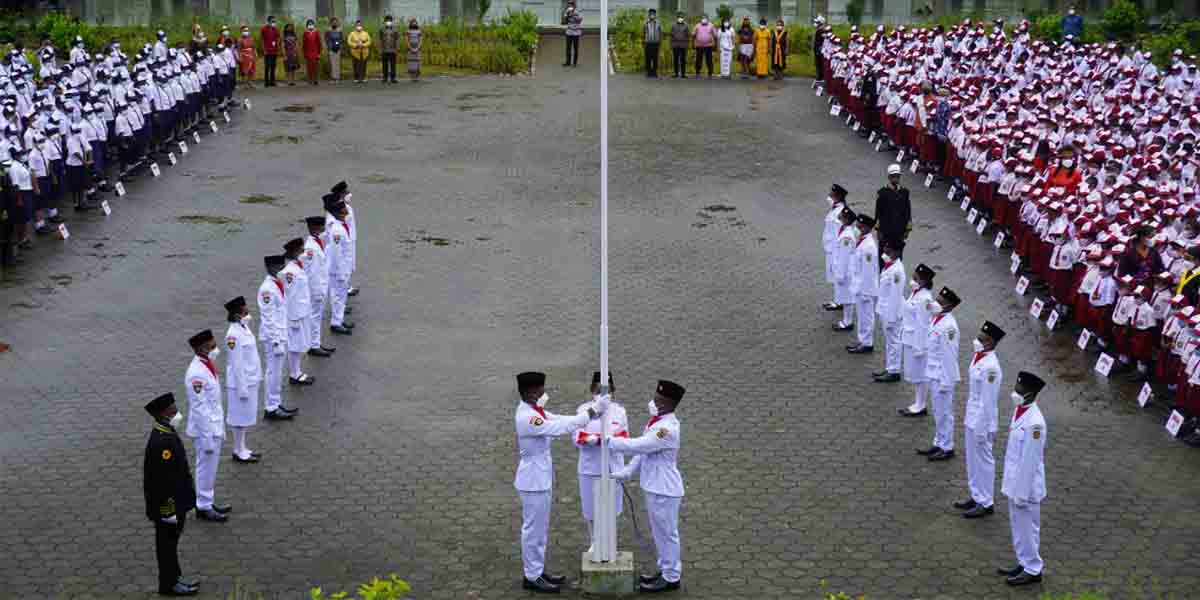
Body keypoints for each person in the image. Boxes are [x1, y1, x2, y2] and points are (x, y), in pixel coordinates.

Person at [513, 371, 606, 594]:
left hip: (540, 477)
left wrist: (587, 415)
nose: (544, 393)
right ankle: (532, 576)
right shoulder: (527, 417)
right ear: (532, 392)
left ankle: (537, 571)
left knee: (540, 530)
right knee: (533, 530)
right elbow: (559, 428)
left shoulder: (537, 411)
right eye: (541, 389)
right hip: (533, 480)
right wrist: (592, 412)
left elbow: (561, 420)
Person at [610, 380, 686, 594]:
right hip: (655, 487)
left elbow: (640, 445)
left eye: (659, 400)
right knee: (659, 533)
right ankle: (664, 570)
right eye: (655, 398)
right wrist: (626, 472)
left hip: (664, 489)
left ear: (669, 404)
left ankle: (671, 577)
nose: (654, 402)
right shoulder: (656, 422)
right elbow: (643, 452)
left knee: (667, 533)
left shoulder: (666, 429)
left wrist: (610, 442)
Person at [142, 393, 199, 596]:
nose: (177, 413)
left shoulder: (167, 431)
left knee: (171, 544)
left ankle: (174, 578)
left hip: (176, 503)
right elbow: (160, 484)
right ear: (161, 415)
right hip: (168, 507)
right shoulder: (160, 443)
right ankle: (168, 584)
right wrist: (167, 512)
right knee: (166, 547)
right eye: (172, 411)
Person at [998, 371, 1048, 586]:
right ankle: (1023, 561)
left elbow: (1030, 461)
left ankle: (1033, 569)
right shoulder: (1020, 410)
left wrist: (1021, 492)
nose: (1015, 393)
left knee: (1028, 528)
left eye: (1019, 391)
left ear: (1030, 394)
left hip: (1025, 488)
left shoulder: (1035, 423)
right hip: (1015, 481)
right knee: (1018, 526)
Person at [573, 371, 628, 554]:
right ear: (591, 390)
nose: (602, 394)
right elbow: (577, 437)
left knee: (612, 508)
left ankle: (610, 541)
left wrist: (599, 439)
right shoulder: (583, 410)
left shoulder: (619, 412)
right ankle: (594, 541)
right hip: (590, 467)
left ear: (613, 391)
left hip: (613, 466)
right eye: (598, 390)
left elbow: (624, 437)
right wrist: (598, 439)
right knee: (590, 509)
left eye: (606, 390)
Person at [956, 321, 1004, 519]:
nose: (978, 340)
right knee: (972, 460)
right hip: (972, 416)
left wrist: (982, 428)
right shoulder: (979, 357)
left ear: (991, 342)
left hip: (982, 421)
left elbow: (988, 401)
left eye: (982, 339)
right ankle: (976, 495)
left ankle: (986, 502)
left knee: (984, 461)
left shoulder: (991, 367)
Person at [183, 330, 231, 522]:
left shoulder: (206, 364)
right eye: (211, 347)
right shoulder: (196, 374)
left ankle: (207, 501)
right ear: (200, 349)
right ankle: (203, 506)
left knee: (211, 468)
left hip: (214, 425)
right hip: (206, 429)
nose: (215, 349)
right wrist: (207, 437)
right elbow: (199, 408)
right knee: (205, 467)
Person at [917, 287, 961, 461]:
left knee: (944, 412)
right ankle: (939, 442)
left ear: (949, 306)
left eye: (941, 302)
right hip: (934, 372)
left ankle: (947, 446)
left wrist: (946, 381)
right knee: (937, 411)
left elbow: (950, 357)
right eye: (937, 300)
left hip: (943, 376)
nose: (936, 303)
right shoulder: (937, 319)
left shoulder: (949, 327)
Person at [223, 296, 263, 464]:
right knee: (239, 418)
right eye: (245, 311)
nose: (248, 313)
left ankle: (242, 447)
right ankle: (238, 451)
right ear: (237, 314)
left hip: (250, 379)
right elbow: (236, 363)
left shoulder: (243, 327)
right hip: (242, 383)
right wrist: (242, 388)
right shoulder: (233, 335)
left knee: (245, 417)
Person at [257, 255, 296, 421]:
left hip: (281, 334)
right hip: (274, 338)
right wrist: (275, 341)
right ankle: (270, 408)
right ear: (271, 268)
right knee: (273, 373)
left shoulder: (277, 284)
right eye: (279, 267)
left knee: (277, 373)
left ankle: (276, 402)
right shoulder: (267, 289)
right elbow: (268, 318)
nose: (283, 270)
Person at [898, 264, 936, 415]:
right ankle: (917, 402)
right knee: (915, 373)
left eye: (916, 278)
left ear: (924, 281)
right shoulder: (916, 293)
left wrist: (919, 347)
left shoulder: (925, 298)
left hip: (917, 341)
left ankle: (921, 405)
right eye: (913, 277)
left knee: (920, 374)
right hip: (909, 338)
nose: (912, 280)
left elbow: (923, 324)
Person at [281, 238, 316, 385]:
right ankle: (295, 374)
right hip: (295, 314)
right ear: (294, 252)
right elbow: (291, 295)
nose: (304, 252)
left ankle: (297, 371)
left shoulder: (297, 267)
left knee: (299, 344)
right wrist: (293, 318)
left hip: (301, 312)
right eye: (301, 250)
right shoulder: (290, 272)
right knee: (295, 345)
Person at [873, 239, 906, 382]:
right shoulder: (889, 266)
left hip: (892, 312)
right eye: (885, 249)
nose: (885, 252)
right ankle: (889, 367)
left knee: (894, 341)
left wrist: (891, 318)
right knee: (889, 341)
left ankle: (894, 371)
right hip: (885, 309)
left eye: (888, 250)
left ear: (897, 252)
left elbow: (895, 296)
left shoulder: (897, 271)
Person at [303, 217, 334, 356]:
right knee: (314, 317)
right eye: (322, 228)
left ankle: (316, 343)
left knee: (317, 317)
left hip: (320, 286)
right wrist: (317, 291)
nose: (324, 230)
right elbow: (311, 272)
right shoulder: (310, 248)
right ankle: (313, 345)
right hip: (316, 288)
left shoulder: (316, 242)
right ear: (315, 228)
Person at [848, 214, 879, 354]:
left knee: (866, 317)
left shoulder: (869, 247)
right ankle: (862, 340)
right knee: (862, 316)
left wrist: (866, 292)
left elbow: (868, 272)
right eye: (857, 226)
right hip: (859, 285)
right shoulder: (862, 240)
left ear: (867, 228)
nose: (857, 228)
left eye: (860, 227)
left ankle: (867, 343)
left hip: (865, 288)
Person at [326, 198, 356, 335]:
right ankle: (335, 323)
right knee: (338, 295)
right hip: (339, 270)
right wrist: (340, 272)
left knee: (342, 295)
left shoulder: (342, 225)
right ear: (338, 213)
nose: (346, 212)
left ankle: (339, 319)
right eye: (343, 211)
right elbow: (336, 254)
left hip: (344, 267)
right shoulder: (336, 231)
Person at [875, 164, 912, 253]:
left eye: (897, 176)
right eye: (893, 176)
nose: (895, 178)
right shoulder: (882, 193)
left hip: (899, 231)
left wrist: (908, 229)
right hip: (885, 231)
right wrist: (878, 230)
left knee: (897, 254)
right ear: (889, 177)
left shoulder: (904, 192)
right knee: (884, 255)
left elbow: (908, 211)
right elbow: (878, 212)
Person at [822, 183, 848, 311]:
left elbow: (839, 233)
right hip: (831, 249)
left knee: (838, 275)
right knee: (834, 275)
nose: (829, 196)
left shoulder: (840, 213)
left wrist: (836, 251)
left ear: (837, 197)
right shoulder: (835, 209)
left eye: (831, 195)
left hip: (835, 250)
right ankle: (838, 299)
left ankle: (839, 301)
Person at [832, 206, 858, 331]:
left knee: (848, 297)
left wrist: (840, 275)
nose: (839, 216)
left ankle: (848, 322)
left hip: (846, 271)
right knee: (845, 296)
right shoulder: (844, 229)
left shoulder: (846, 237)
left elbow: (844, 257)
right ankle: (846, 320)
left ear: (846, 219)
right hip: (845, 270)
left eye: (842, 215)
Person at [260, 16, 280, 87]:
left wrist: (278, 49)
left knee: (273, 66)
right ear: (268, 21)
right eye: (272, 21)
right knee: (267, 66)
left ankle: (272, 81)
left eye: (274, 21)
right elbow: (262, 40)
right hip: (267, 51)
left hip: (274, 51)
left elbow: (278, 39)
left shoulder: (276, 29)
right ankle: (266, 82)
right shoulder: (264, 29)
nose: (274, 23)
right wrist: (264, 50)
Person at [380, 15, 400, 84]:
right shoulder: (382, 29)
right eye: (387, 20)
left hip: (393, 50)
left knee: (393, 65)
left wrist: (397, 48)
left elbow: (397, 39)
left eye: (389, 20)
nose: (388, 22)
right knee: (384, 65)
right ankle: (385, 78)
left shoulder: (395, 29)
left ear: (392, 21)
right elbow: (380, 39)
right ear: (384, 21)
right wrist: (380, 48)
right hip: (384, 50)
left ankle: (393, 78)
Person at [302, 19, 322, 85]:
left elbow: (319, 43)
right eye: (309, 24)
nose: (310, 25)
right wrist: (304, 54)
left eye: (311, 24)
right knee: (309, 67)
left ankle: (315, 79)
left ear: (313, 25)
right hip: (308, 53)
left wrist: (319, 53)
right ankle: (310, 80)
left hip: (315, 52)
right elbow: (304, 44)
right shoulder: (305, 33)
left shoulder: (316, 32)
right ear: (307, 25)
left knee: (316, 67)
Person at [669, 13, 689, 79]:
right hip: (675, 45)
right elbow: (671, 35)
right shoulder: (673, 25)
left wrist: (687, 44)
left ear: (683, 18)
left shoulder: (686, 25)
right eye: (679, 17)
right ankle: (676, 73)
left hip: (683, 45)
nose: (680, 18)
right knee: (675, 59)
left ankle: (683, 73)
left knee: (683, 60)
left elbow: (687, 35)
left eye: (681, 17)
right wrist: (671, 44)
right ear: (677, 18)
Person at [643, 9, 661, 78]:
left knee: (655, 58)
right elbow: (643, 32)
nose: (652, 15)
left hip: (656, 43)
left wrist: (660, 42)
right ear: (648, 14)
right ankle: (648, 72)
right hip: (648, 43)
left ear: (655, 14)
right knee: (648, 58)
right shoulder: (645, 23)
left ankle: (654, 72)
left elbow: (660, 32)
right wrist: (643, 42)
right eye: (651, 13)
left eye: (653, 13)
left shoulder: (658, 23)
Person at [563, 3, 582, 67]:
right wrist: (568, 15)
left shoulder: (578, 11)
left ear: (574, 6)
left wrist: (574, 15)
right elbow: (564, 21)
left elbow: (580, 20)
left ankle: (574, 63)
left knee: (575, 48)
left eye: (572, 5)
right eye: (569, 5)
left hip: (576, 32)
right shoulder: (567, 11)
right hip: (569, 32)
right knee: (568, 48)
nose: (570, 6)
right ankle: (568, 62)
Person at [325, 18, 343, 83]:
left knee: (337, 64)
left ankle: (337, 78)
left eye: (336, 22)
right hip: (331, 49)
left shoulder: (339, 30)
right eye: (333, 22)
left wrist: (340, 47)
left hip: (338, 49)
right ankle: (332, 78)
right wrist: (329, 47)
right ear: (331, 23)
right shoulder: (328, 31)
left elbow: (341, 39)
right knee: (332, 64)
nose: (334, 23)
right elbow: (326, 39)